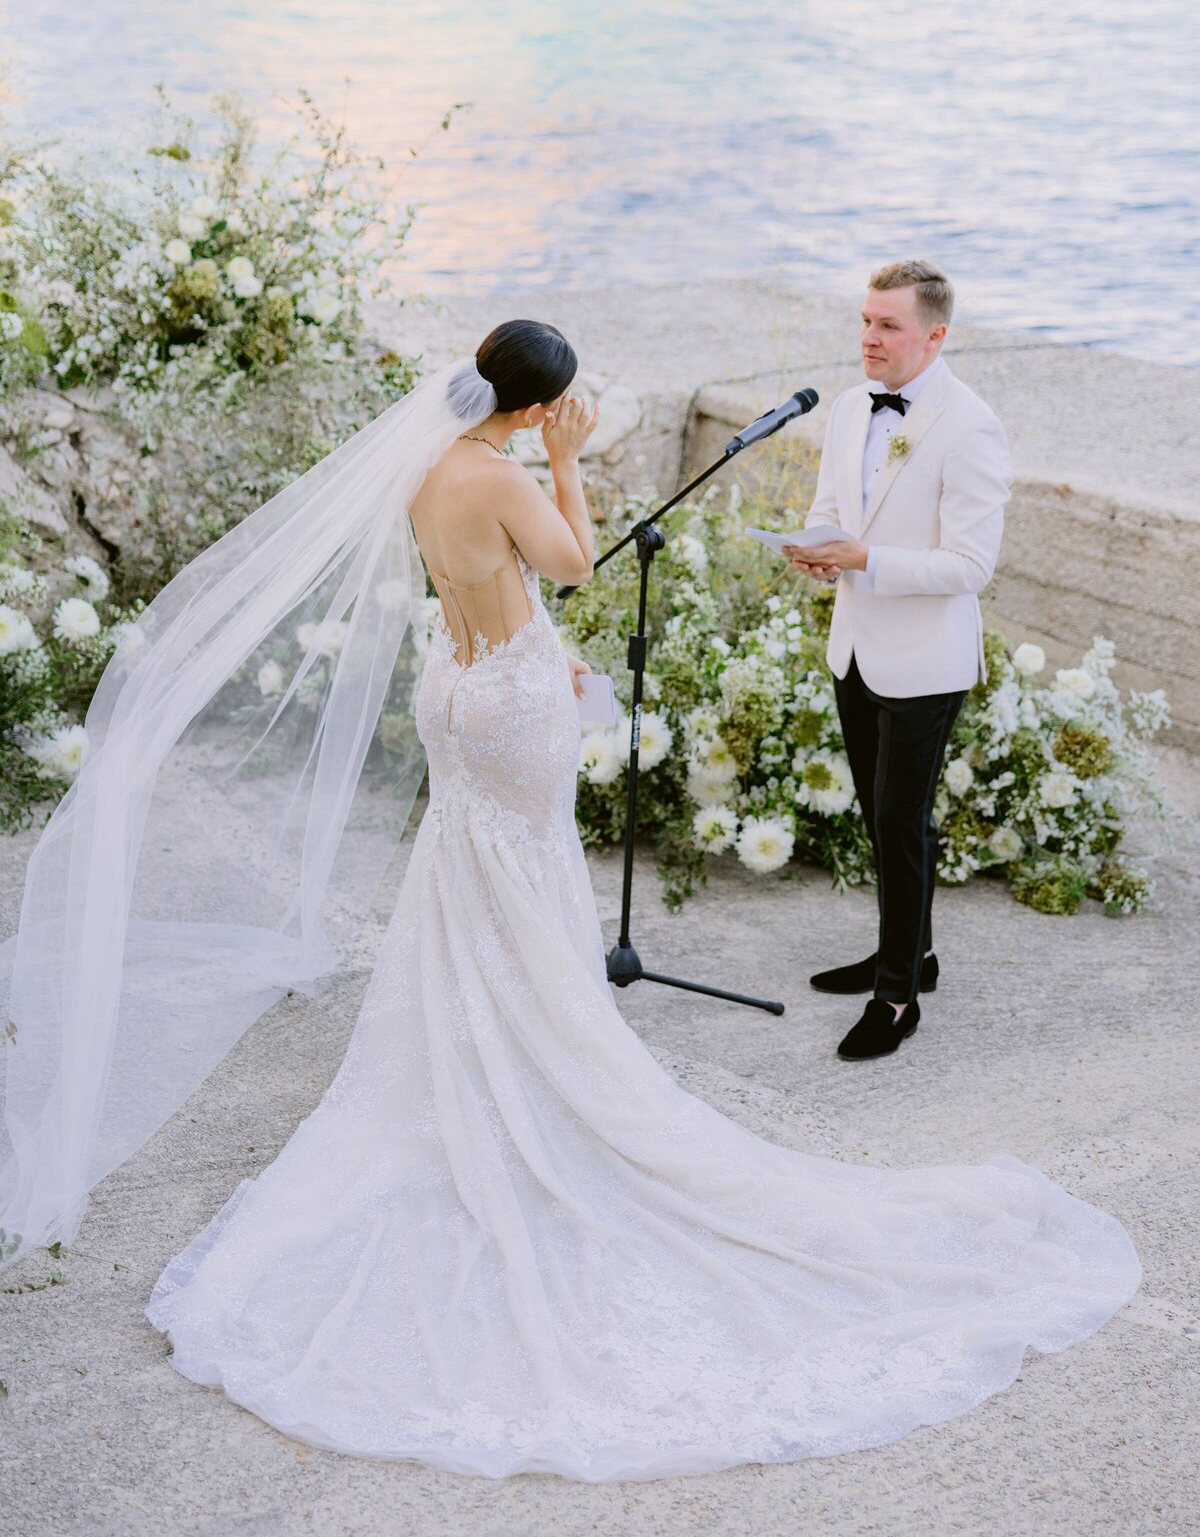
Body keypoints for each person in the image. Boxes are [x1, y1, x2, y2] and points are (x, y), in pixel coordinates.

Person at [3, 322, 1139, 1481]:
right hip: (513, 709)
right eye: (565, 402)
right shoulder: (502, 472)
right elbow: (574, 566)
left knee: (471, 875)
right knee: (527, 874)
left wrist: (543, 634)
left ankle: (496, 1048)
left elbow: (482, 589)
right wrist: (568, 462)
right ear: (540, 403)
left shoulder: (426, 463)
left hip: (461, 685)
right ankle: (546, 1066)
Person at [784, 260, 1012, 1060]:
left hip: (926, 661)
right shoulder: (850, 407)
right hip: (855, 649)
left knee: (900, 821)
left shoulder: (970, 424)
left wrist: (866, 559)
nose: (869, 339)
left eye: (888, 327)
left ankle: (896, 998)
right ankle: (911, 953)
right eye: (865, 321)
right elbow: (830, 508)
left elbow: (970, 567)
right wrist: (816, 550)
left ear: (935, 335)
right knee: (882, 822)